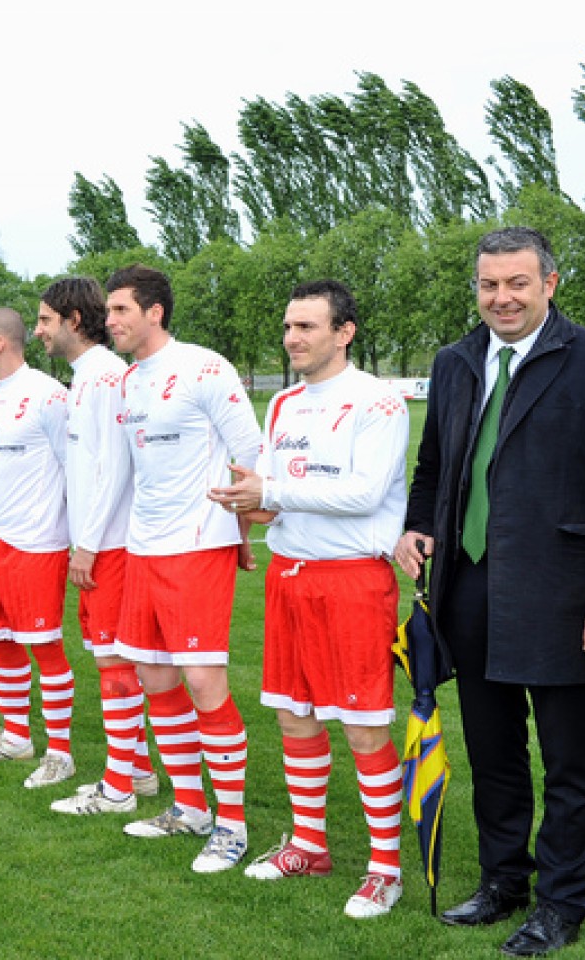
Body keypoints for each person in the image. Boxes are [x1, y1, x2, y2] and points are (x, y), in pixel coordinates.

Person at [395, 227, 585, 956]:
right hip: (467, 588)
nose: (500, 298)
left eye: (517, 284)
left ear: (550, 284)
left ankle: (562, 905)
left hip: (566, 598)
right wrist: (416, 526)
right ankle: (505, 881)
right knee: (493, 750)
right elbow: (434, 466)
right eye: (488, 285)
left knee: (569, 758)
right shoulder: (455, 362)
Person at [209, 280, 409, 918]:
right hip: (289, 575)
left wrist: (276, 491)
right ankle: (309, 845)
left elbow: (364, 493)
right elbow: (281, 491)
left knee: (363, 724)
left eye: (307, 327)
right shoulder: (285, 403)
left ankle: (385, 869)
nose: (293, 338)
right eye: (289, 327)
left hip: (352, 579)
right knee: (295, 715)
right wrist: (255, 501)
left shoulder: (378, 402)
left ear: (344, 332)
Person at [105, 264, 262, 875]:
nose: (111, 321)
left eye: (120, 310)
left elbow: (249, 456)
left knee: (203, 682)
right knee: (154, 676)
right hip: (144, 547)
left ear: (155, 312)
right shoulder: (127, 382)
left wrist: (241, 532)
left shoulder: (204, 367)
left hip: (198, 544)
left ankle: (233, 825)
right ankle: (190, 807)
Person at [34, 277, 159, 815]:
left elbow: (114, 467)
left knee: (114, 663)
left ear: (72, 321)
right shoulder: (86, 378)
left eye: (44, 320)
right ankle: (138, 772)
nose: (39, 330)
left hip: (110, 544)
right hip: (96, 542)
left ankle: (119, 789)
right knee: (111, 659)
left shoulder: (107, 377)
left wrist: (86, 544)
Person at [0, 306, 76, 790]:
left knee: (44, 647)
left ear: (0, 344)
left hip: (36, 542)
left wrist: (76, 538)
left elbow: (75, 466)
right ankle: (14, 736)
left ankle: (61, 752)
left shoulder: (48, 395)